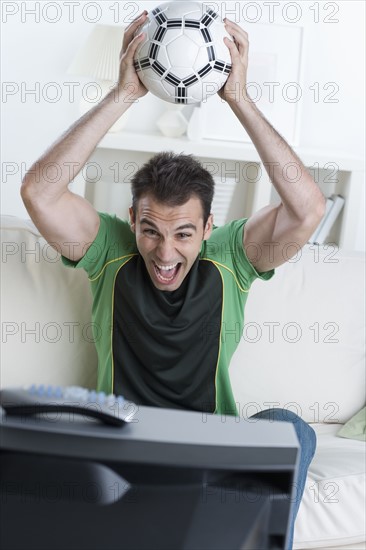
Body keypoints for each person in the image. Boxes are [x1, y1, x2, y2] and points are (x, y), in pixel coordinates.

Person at [21, 10, 325, 549]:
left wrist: (241, 100)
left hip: (212, 453)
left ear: (210, 227)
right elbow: (40, 192)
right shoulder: (109, 250)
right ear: (132, 220)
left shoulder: (233, 255)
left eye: (184, 234)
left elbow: (306, 209)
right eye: (150, 231)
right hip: (124, 450)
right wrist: (122, 95)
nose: (165, 252)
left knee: (288, 425)